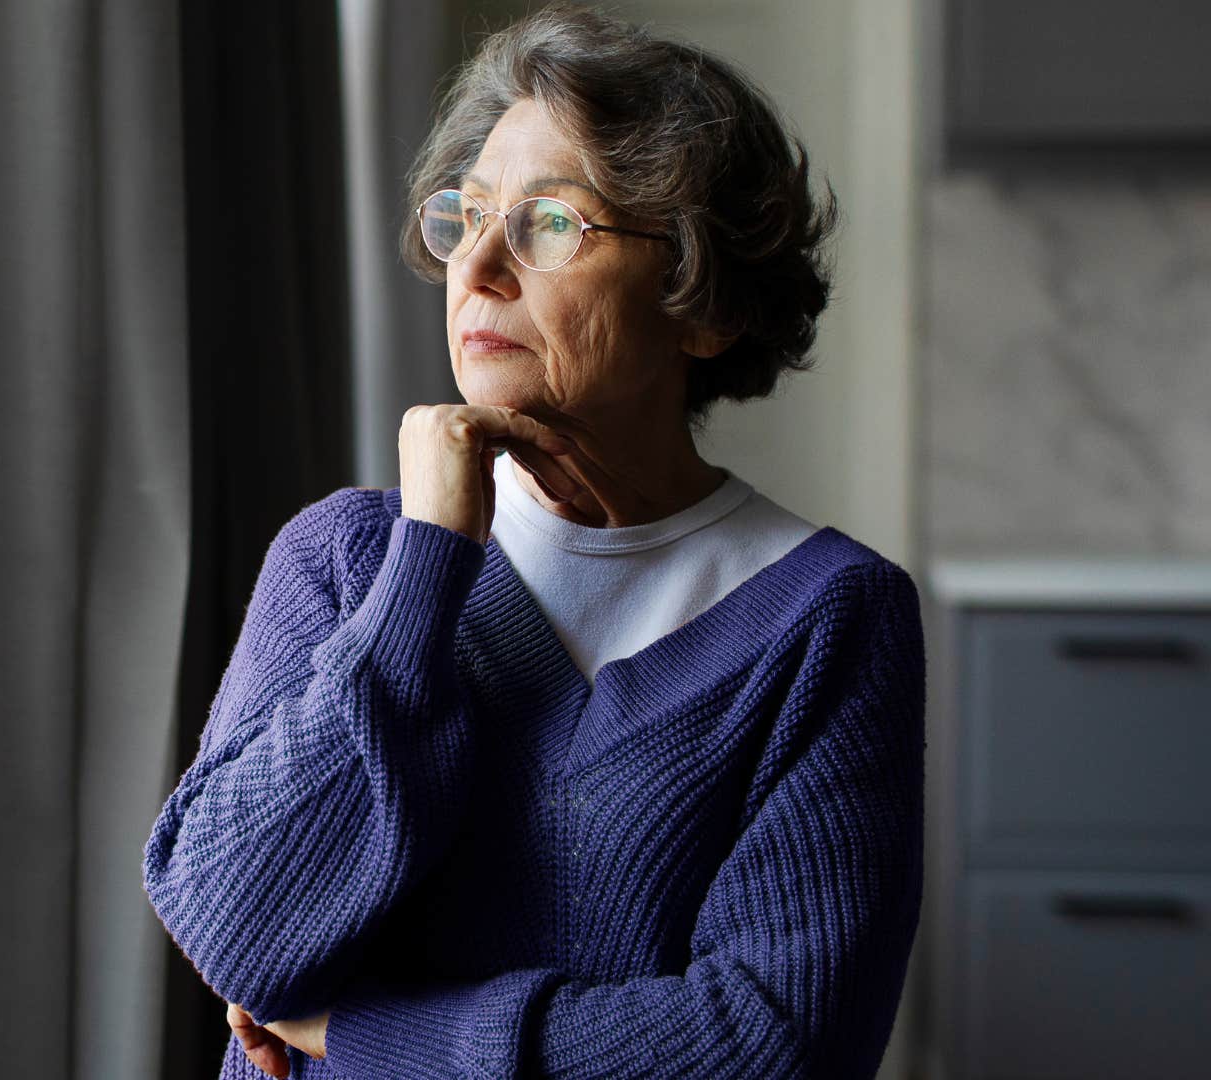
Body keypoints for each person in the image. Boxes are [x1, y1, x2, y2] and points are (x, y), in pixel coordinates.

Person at [141, 5, 925, 1078]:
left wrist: (364, 1033)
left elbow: (773, 1045)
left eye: (553, 223)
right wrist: (424, 571)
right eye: (466, 216)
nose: (478, 265)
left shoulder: (828, 617)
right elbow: (235, 932)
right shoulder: (349, 559)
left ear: (706, 305)